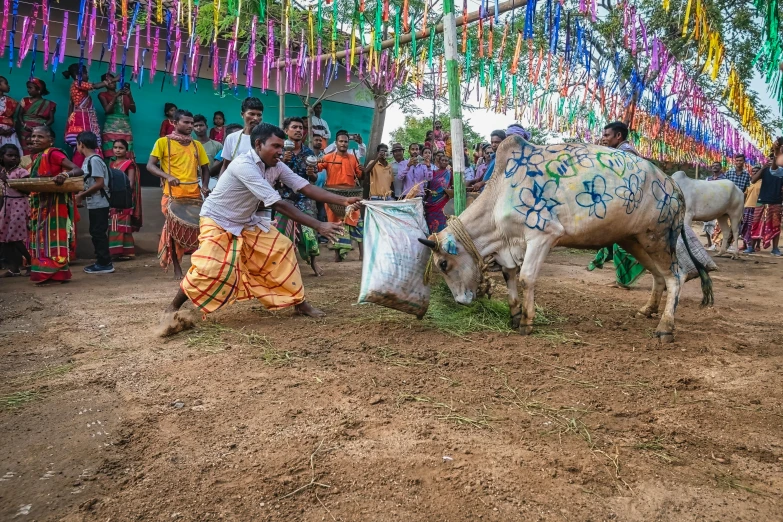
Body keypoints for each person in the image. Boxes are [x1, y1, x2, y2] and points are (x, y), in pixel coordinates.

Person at [158, 123, 361, 335]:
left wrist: (343, 201)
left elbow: (305, 187)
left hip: (246, 220)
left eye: (282, 147)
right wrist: (319, 225)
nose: (281, 151)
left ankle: (298, 302)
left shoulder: (277, 165)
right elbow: (278, 204)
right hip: (217, 219)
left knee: (282, 247)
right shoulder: (243, 165)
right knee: (209, 268)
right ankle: (172, 307)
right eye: (275, 146)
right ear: (258, 144)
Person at [146, 110, 211, 278]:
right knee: (173, 233)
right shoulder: (162, 142)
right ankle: (177, 268)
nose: (190, 126)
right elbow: (150, 166)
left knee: (200, 232)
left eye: (192, 123)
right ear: (174, 123)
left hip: (194, 195)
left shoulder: (196, 145)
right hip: (172, 196)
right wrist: (167, 176)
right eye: (186, 123)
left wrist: (204, 185)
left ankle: (199, 267)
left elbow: (205, 168)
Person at [587, 121, 645, 288]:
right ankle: (623, 279)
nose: (603, 138)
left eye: (606, 135)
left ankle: (631, 275)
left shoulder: (625, 153)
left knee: (623, 244)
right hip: (625, 204)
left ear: (618, 136)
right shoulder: (620, 151)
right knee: (616, 242)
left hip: (630, 207)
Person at [26, 126, 83, 283]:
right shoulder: (37, 157)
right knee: (40, 239)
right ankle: (46, 273)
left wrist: (64, 175)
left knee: (54, 238)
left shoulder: (53, 153)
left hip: (55, 205)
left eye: (40, 137)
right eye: (33, 136)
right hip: (40, 205)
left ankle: (55, 273)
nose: (35, 139)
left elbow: (77, 170)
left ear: (50, 140)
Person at [276, 116, 322, 276]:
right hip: (285, 196)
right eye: (294, 127)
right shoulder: (279, 150)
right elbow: (272, 175)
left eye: (301, 128)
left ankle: (313, 261)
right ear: (286, 131)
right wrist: (282, 160)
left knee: (309, 230)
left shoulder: (309, 153)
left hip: (304, 198)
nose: (298, 130)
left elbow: (314, 178)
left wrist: (312, 174)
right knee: (282, 231)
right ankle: (287, 264)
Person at [317, 130, 364, 261]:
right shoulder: (328, 157)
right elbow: (316, 168)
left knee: (357, 222)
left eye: (346, 142)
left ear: (348, 144)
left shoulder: (353, 158)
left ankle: (362, 254)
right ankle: (337, 255)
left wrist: (363, 171)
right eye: (341, 141)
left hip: (351, 195)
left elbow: (360, 176)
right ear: (336, 143)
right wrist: (313, 165)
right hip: (332, 196)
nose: (343, 144)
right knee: (335, 224)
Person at [74, 131, 114, 274]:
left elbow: (99, 183)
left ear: (81, 144)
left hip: (100, 202)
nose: (77, 147)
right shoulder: (89, 160)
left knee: (98, 232)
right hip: (95, 202)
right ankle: (102, 261)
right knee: (96, 231)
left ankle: (105, 263)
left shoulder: (94, 160)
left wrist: (81, 196)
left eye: (77, 144)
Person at [107, 139, 142, 259]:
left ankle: (119, 252)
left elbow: (130, 183)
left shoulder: (129, 164)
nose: (117, 150)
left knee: (120, 225)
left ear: (126, 150)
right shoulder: (111, 164)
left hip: (124, 198)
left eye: (121, 148)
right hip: (112, 198)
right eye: (115, 147)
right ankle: (123, 252)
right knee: (114, 224)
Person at [0, 144, 31, 277]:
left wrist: (9, 181)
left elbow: (27, 190)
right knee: (5, 238)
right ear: (2, 157)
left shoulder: (21, 172)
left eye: (16, 156)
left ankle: (31, 262)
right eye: (10, 155)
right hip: (7, 205)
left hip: (18, 204)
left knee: (16, 237)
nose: (13, 158)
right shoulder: (3, 172)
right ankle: (14, 268)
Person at [750, 139, 783, 256]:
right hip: (761, 200)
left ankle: (775, 249)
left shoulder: (781, 171)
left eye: (773, 158)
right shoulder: (764, 170)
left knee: (775, 225)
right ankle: (751, 247)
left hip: (776, 201)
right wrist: (763, 168)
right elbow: (753, 180)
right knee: (755, 223)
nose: (771, 160)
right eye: (770, 158)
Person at [62, 64, 107, 147]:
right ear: (77, 75)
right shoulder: (77, 83)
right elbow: (95, 86)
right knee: (86, 140)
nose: (87, 76)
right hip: (82, 117)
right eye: (85, 73)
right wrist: (112, 80)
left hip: (84, 116)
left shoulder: (75, 86)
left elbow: (71, 105)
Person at [220, 97, 264, 173]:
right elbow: (225, 166)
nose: (256, 118)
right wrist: (219, 185)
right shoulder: (232, 138)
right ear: (242, 114)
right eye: (252, 114)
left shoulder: (266, 138)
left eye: (259, 115)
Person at [98, 73, 136, 158]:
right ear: (105, 83)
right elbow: (107, 110)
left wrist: (130, 95)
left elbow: (133, 110)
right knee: (111, 153)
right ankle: (111, 170)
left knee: (127, 152)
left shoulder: (124, 95)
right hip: (111, 128)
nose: (113, 83)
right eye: (110, 82)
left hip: (125, 128)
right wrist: (115, 96)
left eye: (114, 81)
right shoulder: (102, 95)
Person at [16, 78, 57, 155]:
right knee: (25, 148)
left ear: (39, 89)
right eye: (28, 88)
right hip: (25, 129)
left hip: (41, 130)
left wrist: (40, 128)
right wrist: (24, 125)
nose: (28, 90)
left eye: (30, 88)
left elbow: (51, 120)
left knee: (38, 148)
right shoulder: (25, 100)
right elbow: (19, 115)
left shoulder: (49, 104)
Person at [424, 151, 452, 233]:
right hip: (432, 200)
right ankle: (432, 237)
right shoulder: (433, 173)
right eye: (442, 160)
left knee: (442, 219)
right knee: (431, 220)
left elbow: (452, 185)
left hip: (443, 200)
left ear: (448, 162)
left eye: (446, 160)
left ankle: (442, 237)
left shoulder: (450, 173)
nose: (444, 162)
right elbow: (428, 185)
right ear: (439, 161)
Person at [703, 161, 727, 251]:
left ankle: (715, 244)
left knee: (717, 224)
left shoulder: (724, 179)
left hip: (719, 204)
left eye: (717, 166)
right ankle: (709, 243)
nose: (715, 167)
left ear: (720, 168)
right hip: (708, 203)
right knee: (707, 224)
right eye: (713, 166)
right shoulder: (708, 179)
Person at [192, 114, 223, 182]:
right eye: (195, 126)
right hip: (195, 181)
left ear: (206, 127)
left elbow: (222, 166)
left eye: (201, 125)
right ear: (192, 128)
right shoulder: (190, 146)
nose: (198, 128)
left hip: (214, 181)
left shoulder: (217, 145)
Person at [741, 166, 762, 253]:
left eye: (757, 171)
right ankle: (746, 245)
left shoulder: (763, 183)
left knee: (754, 227)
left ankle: (753, 246)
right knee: (746, 227)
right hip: (747, 207)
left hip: (757, 207)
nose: (755, 173)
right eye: (753, 171)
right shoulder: (749, 183)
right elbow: (744, 195)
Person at [0, 76, 21, 149]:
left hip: (9, 133)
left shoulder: (12, 102)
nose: (8, 86)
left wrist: (11, 130)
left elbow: (15, 119)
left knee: (10, 154)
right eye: (6, 83)